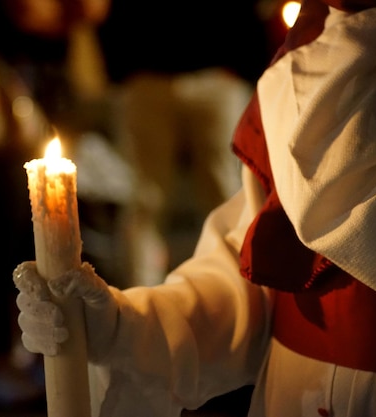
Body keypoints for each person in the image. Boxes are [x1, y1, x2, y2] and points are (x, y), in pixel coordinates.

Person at [12, 0, 376, 416]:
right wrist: (123, 327)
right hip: (295, 395)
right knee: (148, 203)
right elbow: (250, 275)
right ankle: (140, 275)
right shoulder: (311, 59)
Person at [96, 0, 270, 286]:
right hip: (146, 77)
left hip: (215, 75)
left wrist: (246, 64)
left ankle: (241, 288)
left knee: (227, 192)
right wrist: (120, 68)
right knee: (144, 198)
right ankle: (140, 296)